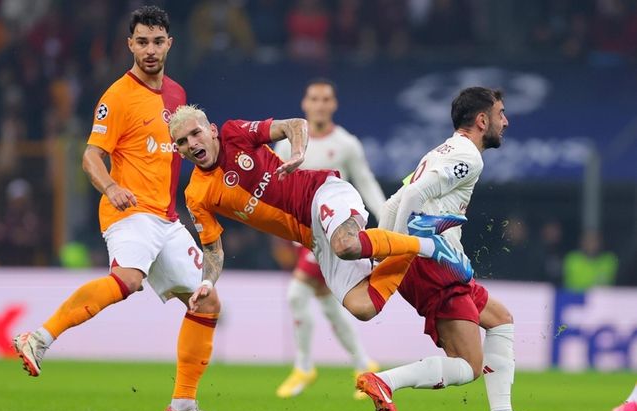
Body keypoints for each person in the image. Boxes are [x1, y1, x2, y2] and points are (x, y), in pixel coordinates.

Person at [11, 6, 224, 411]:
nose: (149, 50)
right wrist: (111, 186)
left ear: (169, 44)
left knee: (208, 303)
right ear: (130, 44)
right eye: (141, 41)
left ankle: (182, 408)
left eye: (157, 41)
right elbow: (91, 156)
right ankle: (37, 338)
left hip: (166, 219)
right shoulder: (117, 96)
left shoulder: (179, 96)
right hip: (129, 212)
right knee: (128, 279)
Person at [168, 104, 472, 332]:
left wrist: (298, 153)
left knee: (346, 244)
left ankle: (427, 246)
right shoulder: (197, 194)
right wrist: (207, 281)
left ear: (211, 131)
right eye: (182, 142)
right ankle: (419, 238)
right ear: (179, 151)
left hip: (323, 193)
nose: (192, 144)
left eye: (195, 133)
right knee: (363, 308)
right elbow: (212, 249)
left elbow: (295, 124)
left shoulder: (235, 133)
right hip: (311, 237)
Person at [355, 87, 537, 411]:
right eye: (501, 114)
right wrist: (399, 249)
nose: (506, 121)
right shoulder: (468, 157)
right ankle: (384, 381)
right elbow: (411, 195)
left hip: (439, 262)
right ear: (482, 120)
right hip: (434, 264)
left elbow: (395, 202)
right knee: (468, 366)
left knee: (500, 319)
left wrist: (386, 251)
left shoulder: (442, 150)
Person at [273, 78, 384, 399]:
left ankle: (304, 366)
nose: (320, 105)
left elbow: (366, 183)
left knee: (296, 294)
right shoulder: (287, 144)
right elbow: (280, 191)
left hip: (336, 233)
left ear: (333, 105)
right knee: (329, 303)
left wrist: (387, 218)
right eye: (314, 99)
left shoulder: (346, 144)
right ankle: (365, 365)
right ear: (304, 104)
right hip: (304, 236)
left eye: (326, 99)